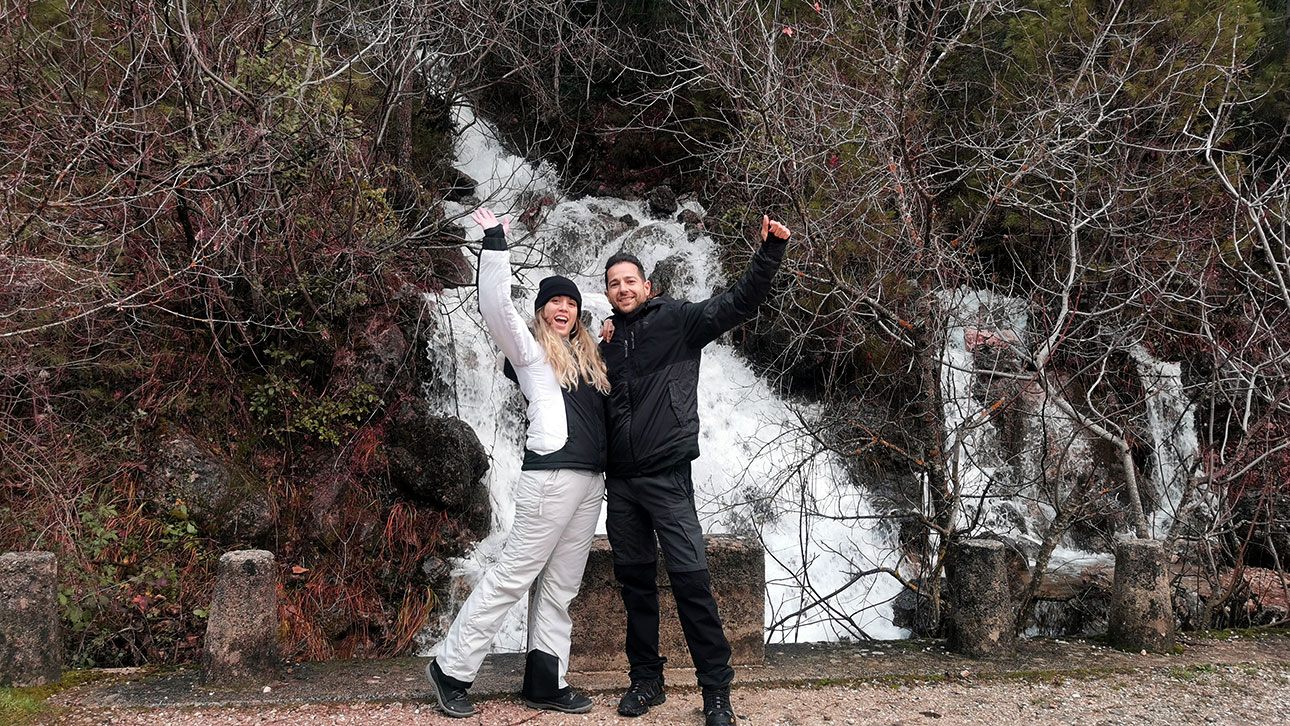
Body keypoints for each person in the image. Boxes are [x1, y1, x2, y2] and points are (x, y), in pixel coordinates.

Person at [600, 214, 791, 726]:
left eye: (629, 281)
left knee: (692, 581)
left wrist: (769, 252)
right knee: (634, 584)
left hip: (667, 476)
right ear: (608, 294)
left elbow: (738, 303)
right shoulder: (605, 346)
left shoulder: (679, 321)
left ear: (647, 286)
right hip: (620, 483)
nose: (622, 289)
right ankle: (647, 682)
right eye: (613, 284)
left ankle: (716, 693)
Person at [426, 208, 610, 718]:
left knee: (560, 587)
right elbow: (494, 306)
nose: (563, 308)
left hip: (591, 482)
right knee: (513, 575)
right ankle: (451, 669)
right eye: (554, 301)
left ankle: (545, 680)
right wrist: (494, 242)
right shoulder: (530, 352)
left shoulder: (593, 359)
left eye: (570, 303)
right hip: (550, 476)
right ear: (541, 310)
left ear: (579, 313)